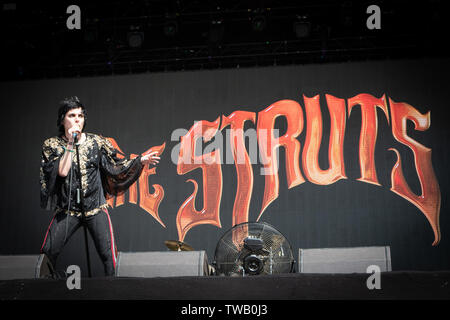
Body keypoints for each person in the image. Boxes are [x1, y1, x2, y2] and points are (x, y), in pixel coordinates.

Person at [39, 96, 159, 276]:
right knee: (47, 253)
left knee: (109, 255)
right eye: (72, 115)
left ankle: (113, 292)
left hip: (95, 207)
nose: (77, 119)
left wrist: (139, 161)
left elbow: (115, 166)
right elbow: (62, 172)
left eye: (80, 115)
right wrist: (71, 143)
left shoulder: (96, 142)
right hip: (68, 209)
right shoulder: (52, 145)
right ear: (62, 119)